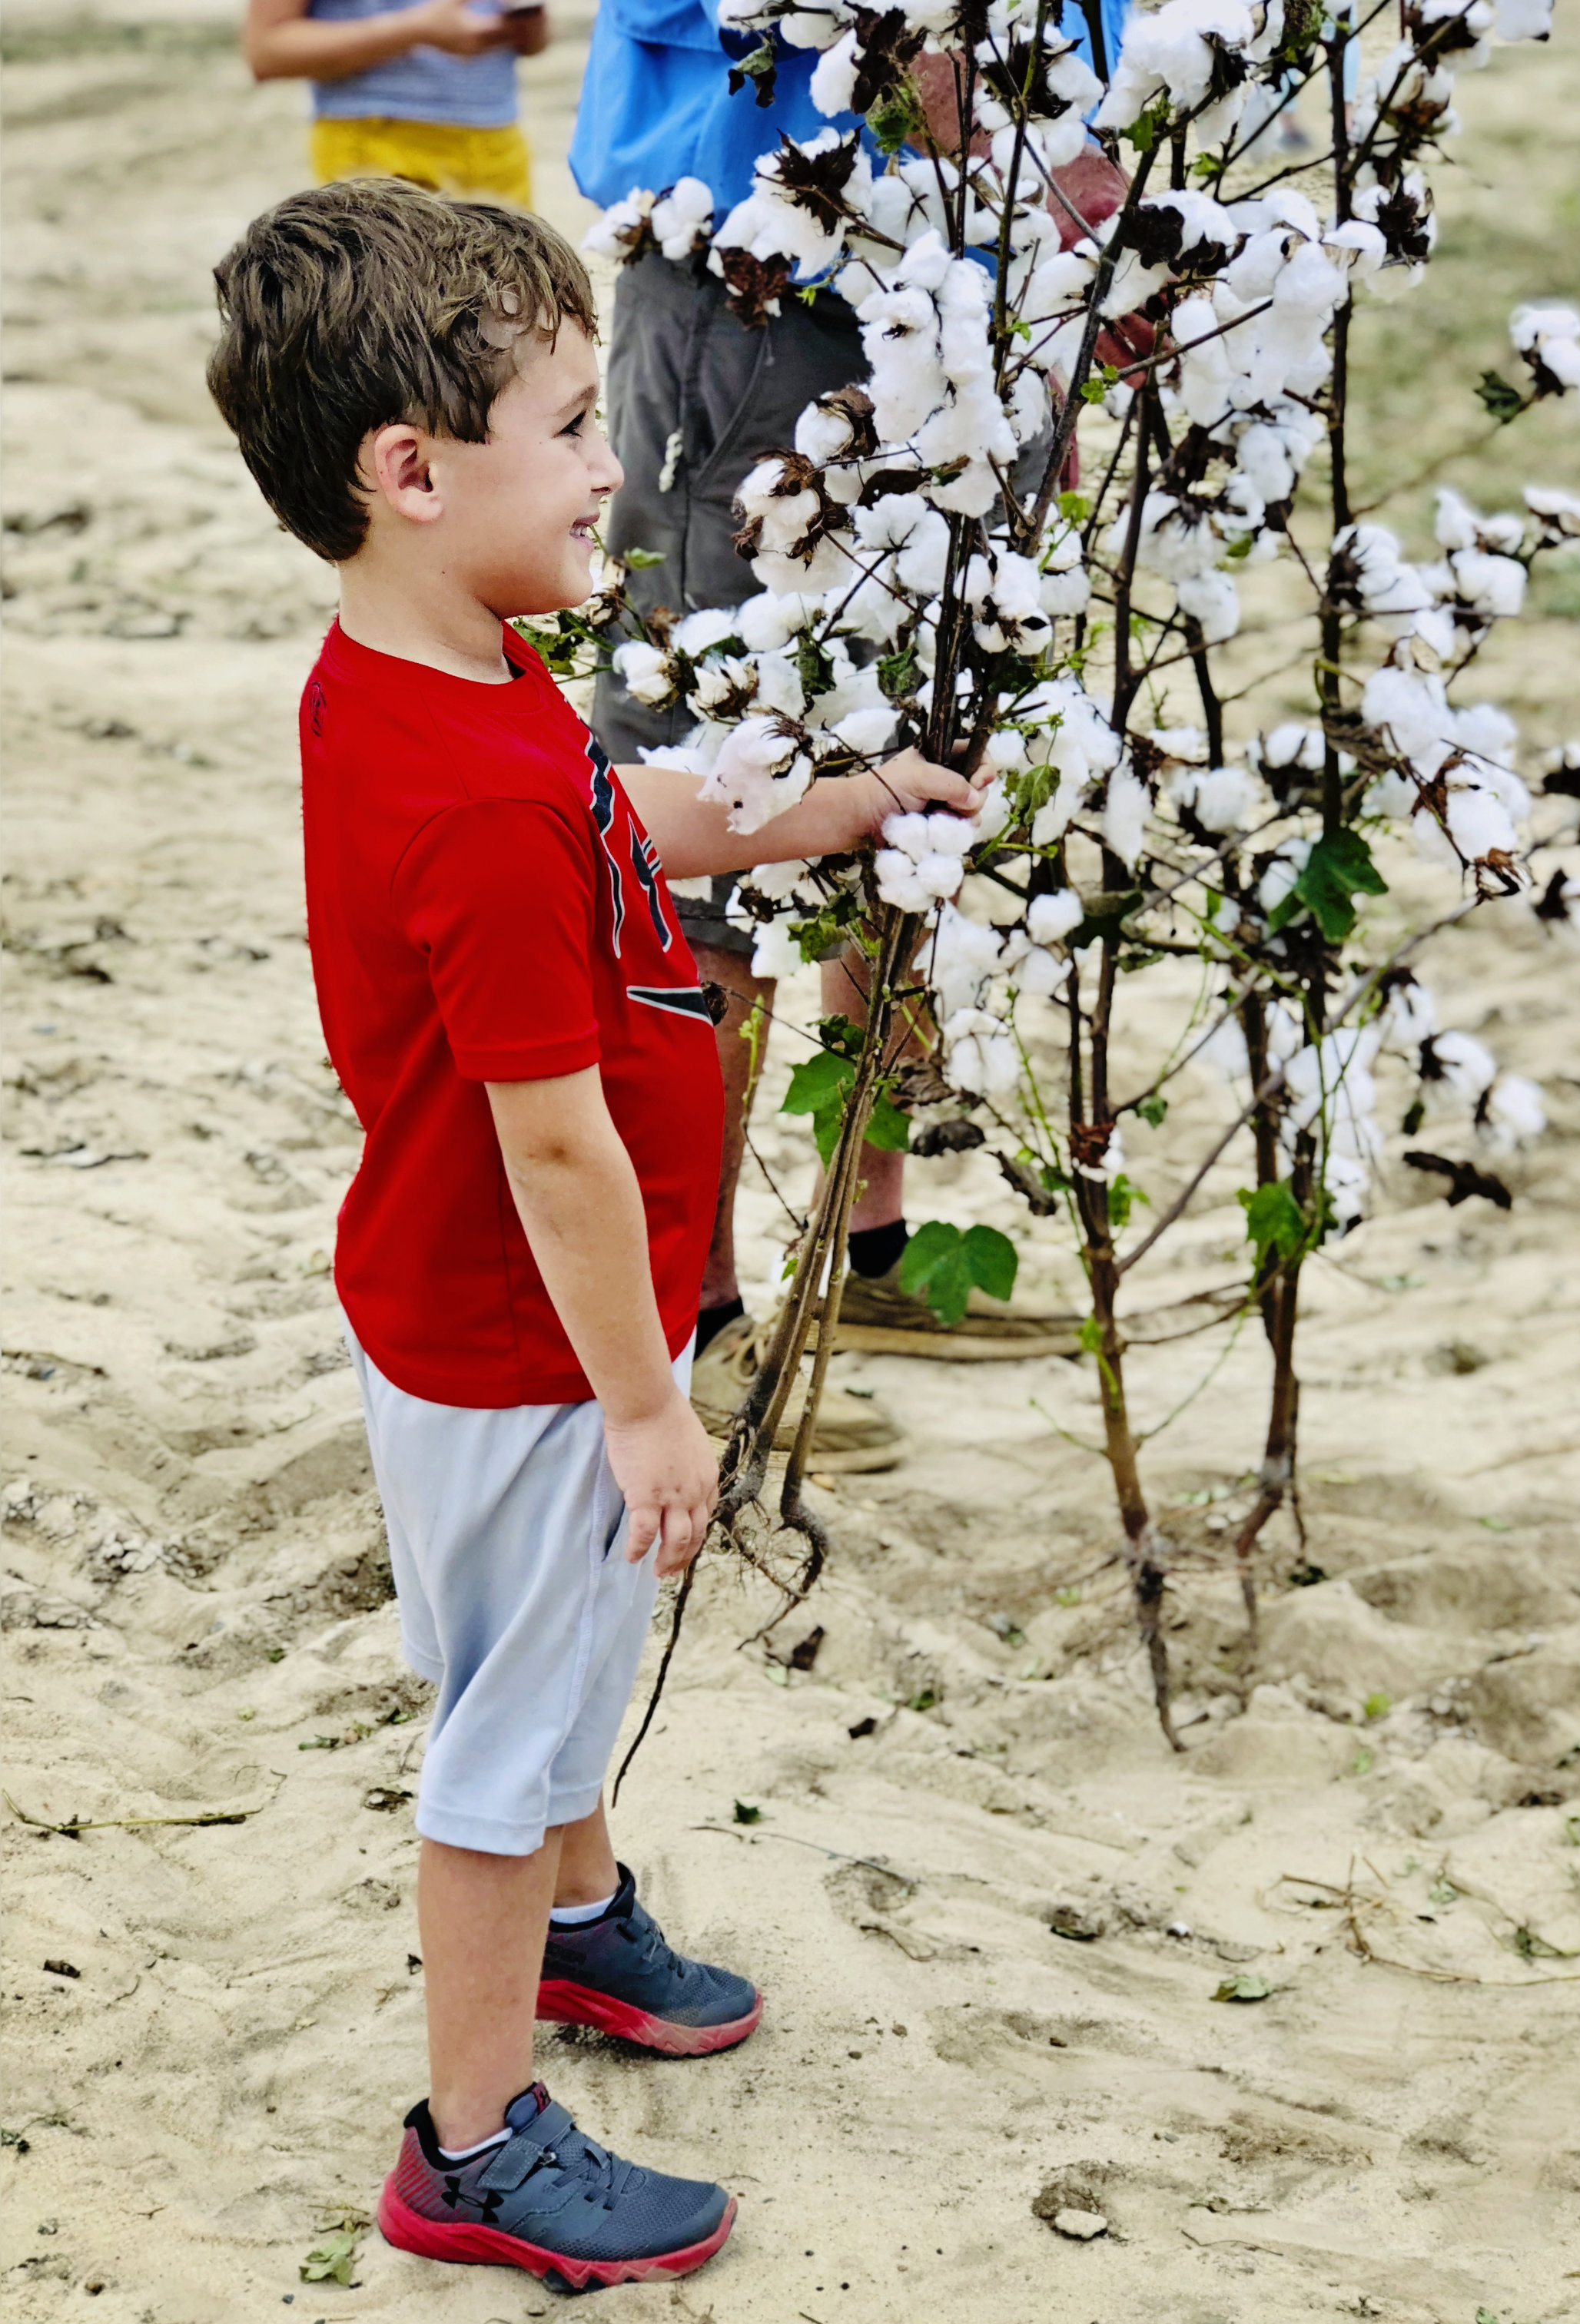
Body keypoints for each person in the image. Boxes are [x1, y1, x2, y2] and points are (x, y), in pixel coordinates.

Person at [205, 176, 992, 2289]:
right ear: (410, 468)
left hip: (465, 1317)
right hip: (532, 1343)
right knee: (506, 1724)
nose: (613, 461)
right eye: (566, 425)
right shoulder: (458, 768)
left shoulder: (444, 670)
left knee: (527, 1671)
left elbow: (603, 816)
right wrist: (650, 1407)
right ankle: (468, 2144)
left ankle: (580, 1926)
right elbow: (548, 1144)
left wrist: (812, 805)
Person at [570, 10, 1127, 1443]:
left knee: (917, 776)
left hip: (978, 280)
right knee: (712, 795)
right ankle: (683, 1317)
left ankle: (863, 1253)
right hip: (756, 271)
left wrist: (1082, 218)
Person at [244, 0, 549, 206]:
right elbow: (266, 51)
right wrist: (416, 29)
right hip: (376, 141)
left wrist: (526, 28)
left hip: (498, 139)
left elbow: (538, 39)